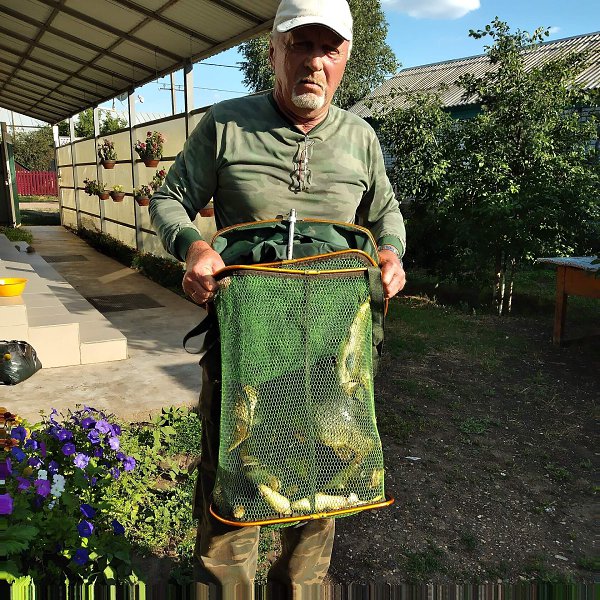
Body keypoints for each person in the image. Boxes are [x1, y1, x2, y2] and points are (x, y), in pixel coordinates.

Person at [150, 0, 406, 595]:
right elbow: (168, 199)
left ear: (345, 61)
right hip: (245, 350)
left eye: (329, 49)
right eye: (300, 45)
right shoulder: (226, 125)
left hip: (331, 358)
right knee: (233, 490)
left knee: (320, 487)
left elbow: (386, 211)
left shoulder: (360, 137)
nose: (314, 62)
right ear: (273, 52)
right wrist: (193, 247)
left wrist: (392, 252)